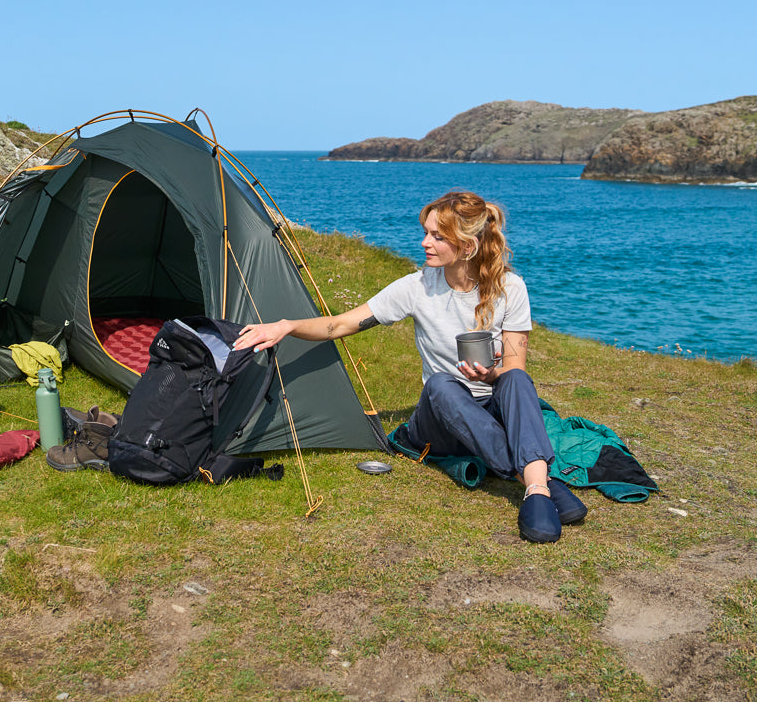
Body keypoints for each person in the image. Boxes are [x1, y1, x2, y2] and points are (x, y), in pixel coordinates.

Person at [233, 189, 586, 543]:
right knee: (441, 385)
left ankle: (536, 491)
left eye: (437, 236)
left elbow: (513, 367)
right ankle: (539, 480)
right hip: (440, 420)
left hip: (491, 411)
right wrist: (286, 326)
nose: (424, 243)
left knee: (517, 380)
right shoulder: (417, 288)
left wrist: (491, 374)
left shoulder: (511, 288)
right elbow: (339, 325)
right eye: (426, 233)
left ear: (467, 246)